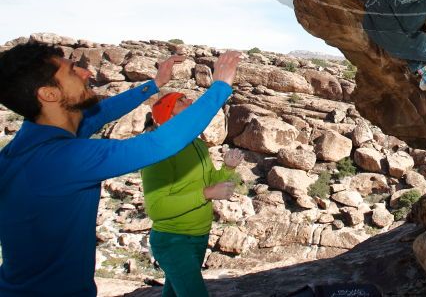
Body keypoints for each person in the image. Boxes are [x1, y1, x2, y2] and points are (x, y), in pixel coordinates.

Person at [0, 42, 240, 296]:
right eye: (72, 71)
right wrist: (220, 87)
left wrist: (155, 83)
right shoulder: (60, 159)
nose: (87, 73)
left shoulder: (28, 147)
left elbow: (99, 114)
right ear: (49, 94)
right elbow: (157, 144)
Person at [141, 92, 244, 297]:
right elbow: (155, 208)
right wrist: (205, 194)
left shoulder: (196, 144)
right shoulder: (160, 151)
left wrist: (228, 168)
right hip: (173, 240)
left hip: (198, 237)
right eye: (181, 101)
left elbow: (210, 180)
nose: (190, 101)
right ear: (169, 115)